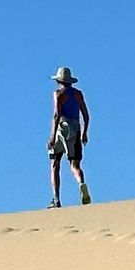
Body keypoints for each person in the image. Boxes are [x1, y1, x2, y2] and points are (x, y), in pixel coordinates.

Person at [48, 67, 92, 208]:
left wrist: (52, 136)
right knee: (75, 165)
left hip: (62, 128)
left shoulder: (58, 94)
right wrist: (85, 132)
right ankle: (81, 183)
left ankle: (56, 198)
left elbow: (56, 115)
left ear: (59, 81)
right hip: (76, 128)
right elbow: (85, 114)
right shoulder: (78, 94)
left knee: (55, 163)